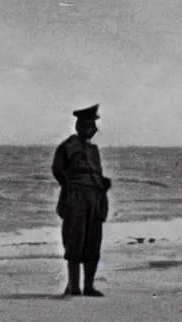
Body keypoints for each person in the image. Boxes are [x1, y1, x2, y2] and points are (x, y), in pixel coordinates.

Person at [51, 104, 112, 297]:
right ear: (79, 126)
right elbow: (58, 170)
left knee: (93, 242)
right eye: (89, 126)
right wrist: (70, 189)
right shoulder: (68, 146)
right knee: (75, 242)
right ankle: (74, 287)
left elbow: (95, 174)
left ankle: (88, 286)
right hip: (76, 199)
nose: (93, 130)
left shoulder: (94, 150)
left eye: (94, 126)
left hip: (95, 199)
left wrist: (103, 186)